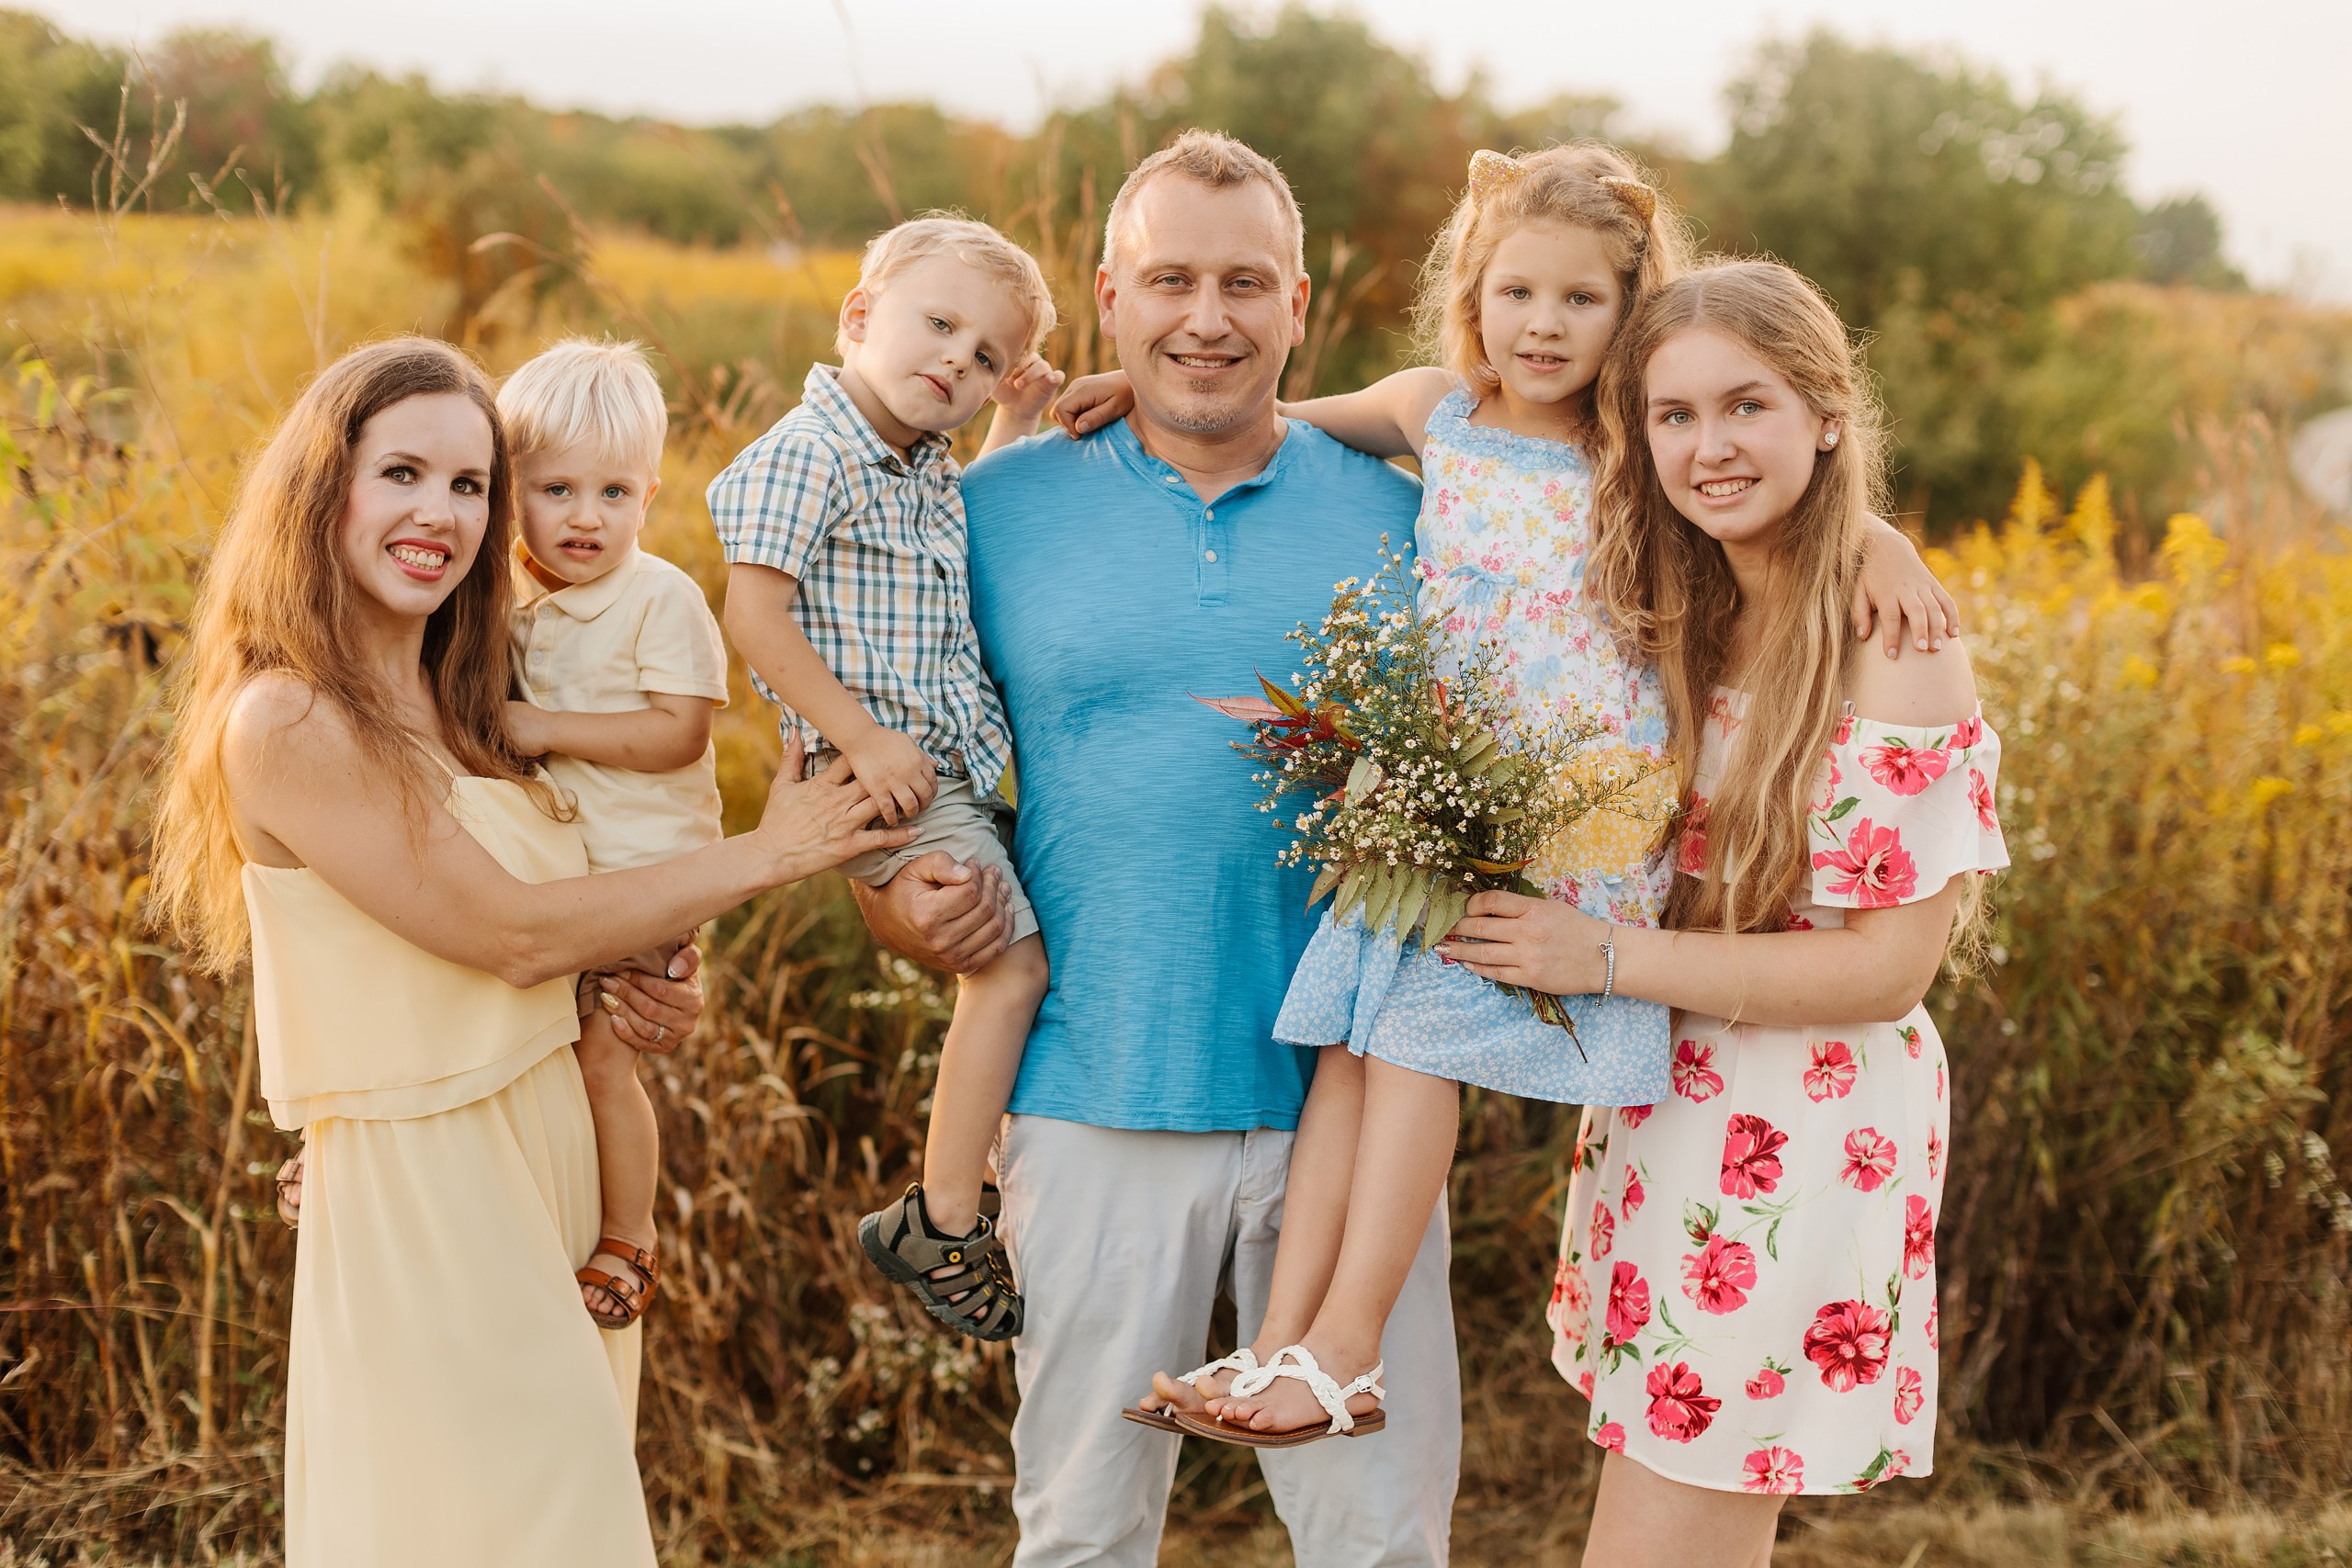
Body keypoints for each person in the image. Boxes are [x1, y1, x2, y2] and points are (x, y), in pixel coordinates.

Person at [1053, 146, 1956, 1447]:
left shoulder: (1633, 447)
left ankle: (1348, 1348)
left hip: (1565, 825)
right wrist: (1130, 388)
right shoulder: (1438, 413)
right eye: (1515, 293)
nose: (1542, 325)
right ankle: (1276, 1343)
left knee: (1413, 1046)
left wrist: (1883, 534)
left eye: (1582, 302)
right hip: (1435, 799)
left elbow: (1777, 482)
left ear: (1630, 315)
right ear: (1471, 295)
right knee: (1346, 1055)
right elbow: (1271, 418)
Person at [149, 336, 909, 1567]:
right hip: (439, 1192)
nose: (438, 513)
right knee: (511, 1527)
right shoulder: (288, 715)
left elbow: (563, 930)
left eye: (470, 485)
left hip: (553, 1160)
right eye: (401, 472)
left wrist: (649, 970)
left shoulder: (474, 706)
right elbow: (508, 932)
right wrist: (776, 849)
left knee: (560, 1520)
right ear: (320, 489)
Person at [854, 130, 1461, 1565]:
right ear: (1111, 296)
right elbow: (897, 791)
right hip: (1089, 1091)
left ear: (1299, 304)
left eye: (1245, 281)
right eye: (1172, 279)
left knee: (1380, 1537)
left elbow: (1650, 492)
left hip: (1355, 1112)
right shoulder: (982, 514)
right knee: (1081, 1528)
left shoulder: (1417, 514)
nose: (1208, 317)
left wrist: (1867, 535)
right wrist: (906, 907)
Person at [1431, 260, 2010, 1566]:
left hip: (1801, 1124)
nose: (1708, 447)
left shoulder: (1891, 638)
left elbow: (1887, 971)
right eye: (1674, 415)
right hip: (1665, 1094)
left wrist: (1604, 955)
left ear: (1826, 410)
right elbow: (1458, 452)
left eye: (1745, 405)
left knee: (1665, 1536)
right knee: (1672, 1519)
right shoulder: (1678, 600)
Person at [708, 217, 1064, 1341]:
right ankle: (943, 1216)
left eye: (987, 356)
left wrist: (1013, 422)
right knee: (1007, 972)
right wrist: (860, 739)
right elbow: (752, 616)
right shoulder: (808, 453)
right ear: (860, 319)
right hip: (881, 776)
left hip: (940, 764)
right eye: (940, 326)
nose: (958, 362)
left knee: (1016, 965)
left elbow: (966, 528)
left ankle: (979, 1171)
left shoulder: (916, 464)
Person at [498, 337, 732, 1328]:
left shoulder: (658, 597)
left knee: (602, 1055)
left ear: (650, 492)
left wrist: (543, 727)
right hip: (563, 872)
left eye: (614, 494)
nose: (585, 518)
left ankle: (629, 1236)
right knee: (504, 1026)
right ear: (512, 490)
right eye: (556, 490)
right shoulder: (510, 600)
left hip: (645, 872)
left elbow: (680, 732)